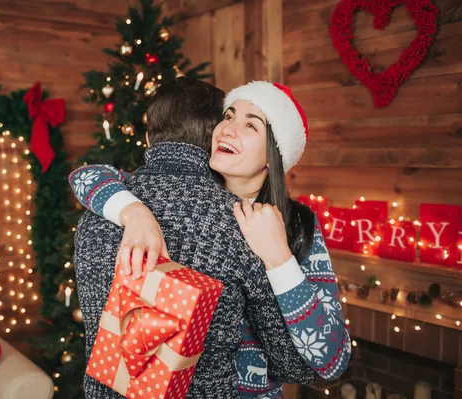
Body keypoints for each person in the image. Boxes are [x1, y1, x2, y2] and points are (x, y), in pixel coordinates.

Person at [70, 80, 351, 398]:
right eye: (228, 116)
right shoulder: (182, 200)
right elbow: (88, 175)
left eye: (250, 125)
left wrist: (279, 259)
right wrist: (135, 213)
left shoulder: (296, 226)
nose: (229, 129)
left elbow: (331, 362)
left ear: (274, 156)